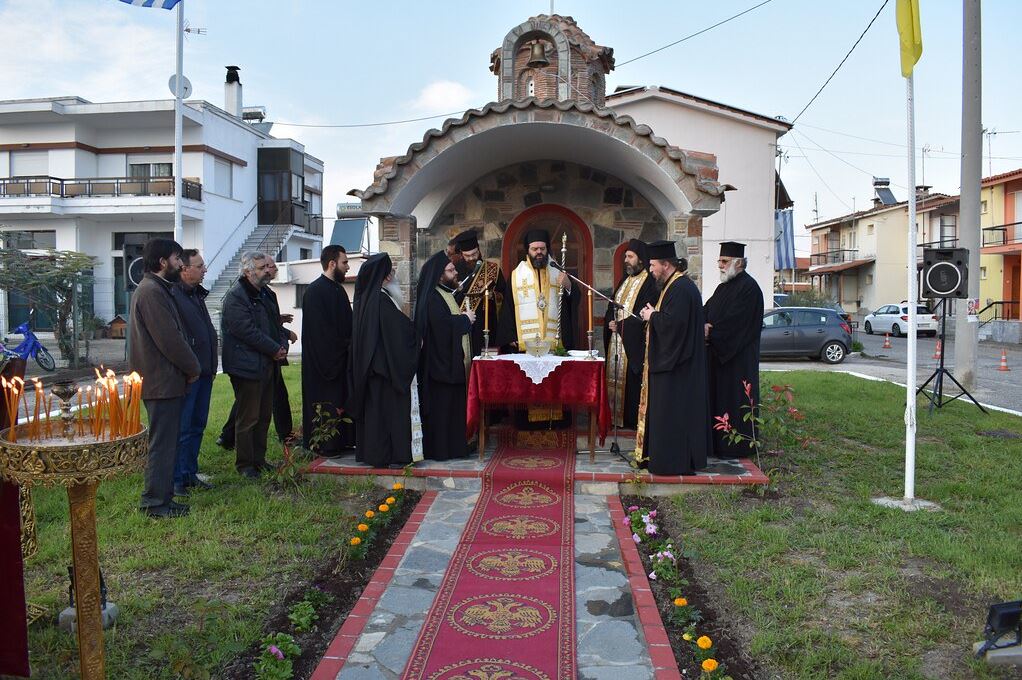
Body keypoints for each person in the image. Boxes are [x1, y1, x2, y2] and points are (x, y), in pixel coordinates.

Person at [128, 238, 200, 518]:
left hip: (165, 382)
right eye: (176, 258)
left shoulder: (158, 289)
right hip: (161, 383)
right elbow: (170, 340)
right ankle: (154, 503)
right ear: (162, 262)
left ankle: (164, 498)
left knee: (167, 443)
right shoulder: (151, 292)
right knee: (162, 444)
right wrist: (192, 367)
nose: (181, 264)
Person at [635, 240, 709, 476]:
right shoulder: (673, 285)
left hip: (678, 369)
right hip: (676, 364)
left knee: (673, 416)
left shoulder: (680, 288)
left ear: (666, 265)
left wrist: (652, 316)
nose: (650, 270)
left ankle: (670, 463)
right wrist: (655, 315)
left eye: (653, 265)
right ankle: (660, 457)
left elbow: (674, 326)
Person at [221, 251, 288, 478]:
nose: (266, 271)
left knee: (263, 415)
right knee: (248, 417)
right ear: (248, 271)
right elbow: (245, 331)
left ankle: (259, 460)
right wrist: (273, 348)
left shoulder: (267, 294)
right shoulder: (236, 297)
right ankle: (245, 465)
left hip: (267, 363)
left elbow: (275, 324)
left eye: (266, 267)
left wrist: (281, 345)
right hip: (247, 366)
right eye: (261, 268)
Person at [348, 253, 418, 468]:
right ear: (386, 277)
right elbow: (400, 333)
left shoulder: (366, 300)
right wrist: (417, 335)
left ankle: (376, 455)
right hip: (385, 370)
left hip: (373, 370)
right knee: (389, 415)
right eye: (393, 272)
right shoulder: (381, 300)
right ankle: (393, 456)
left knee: (376, 415)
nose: (395, 276)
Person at [704, 241, 764, 458]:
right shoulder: (722, 288)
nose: (720, 265)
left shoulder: (750, 288)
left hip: (738, 362)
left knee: (734, 402)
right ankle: (716, 445)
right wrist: (703, 325)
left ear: (738, 263)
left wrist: (712, 332)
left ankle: (735, 447)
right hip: (718, 359)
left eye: (724, 261)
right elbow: (706, 311)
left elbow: (738, 324)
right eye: (719, 261)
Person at [414, 251, 475, 461]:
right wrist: (465, 320)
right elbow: (441, 327)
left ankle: (454, 448)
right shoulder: (432, 297)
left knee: (451, 410)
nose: (455, 272)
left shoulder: (444, 293)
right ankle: (441, 450)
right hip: (439, 367)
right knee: (442, 410)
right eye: (451, 270)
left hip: (448, 364)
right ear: (440, 275)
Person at [169, 249, 218, 498]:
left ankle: (189, 472)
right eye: (199, 266)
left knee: (198, 424)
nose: (204, 269)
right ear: (184, 269)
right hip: (189, 374)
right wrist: (191, 368)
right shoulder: (174, 296)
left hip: (205, 370)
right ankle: (176, 478)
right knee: (184, 427)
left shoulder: (195, 294)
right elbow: (177, 338)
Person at [301, 245, 356, 455]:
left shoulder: (338, 289)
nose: (347, 267)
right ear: (332, 264)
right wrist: (343, 347)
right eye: (344, 263)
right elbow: (320, 333)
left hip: (340, 359)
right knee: (325, 405)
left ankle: (342, 441)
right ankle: (325, 444)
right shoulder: (315, 292)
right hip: (323, 364)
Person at [603, 239, 658, 430]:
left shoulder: (649, 283)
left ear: (641, 259)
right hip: (617, 339)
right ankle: (614, 417)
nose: (626, 260)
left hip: (633, 341)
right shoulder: (625, 280)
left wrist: (623, 326)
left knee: (631, 380)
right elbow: (612, 305)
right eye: (625, 256)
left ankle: (630, 419)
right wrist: (610, 321)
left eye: (630, 256)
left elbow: (645, 313)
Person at [495, 228, 578, 351]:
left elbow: (574, 301)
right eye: (534, 249)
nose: (539, 252)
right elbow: (508, 306)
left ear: (547, 249)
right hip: (525, 343)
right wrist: (510, 335)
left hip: (554, 341)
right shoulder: (516, 275)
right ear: (528, 251)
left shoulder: (558, 271)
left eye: (542, 249)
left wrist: (568, 286)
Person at [450, 229, 508, 357]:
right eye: (467, 255)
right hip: (463, 321)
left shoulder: (492, 269)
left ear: (479, 250)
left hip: (487, 323)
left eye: (474, 254)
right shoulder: (454, 271)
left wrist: (494, 296)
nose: (471, 258)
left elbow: (505, 297)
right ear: (461, 254)